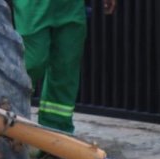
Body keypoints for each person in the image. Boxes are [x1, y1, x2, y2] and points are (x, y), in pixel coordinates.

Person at [12, 0, 117, 135]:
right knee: (32, 62)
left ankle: (56, 135)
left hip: (71, 6)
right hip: (33, 5)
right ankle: (5, 118)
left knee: (65, 70)